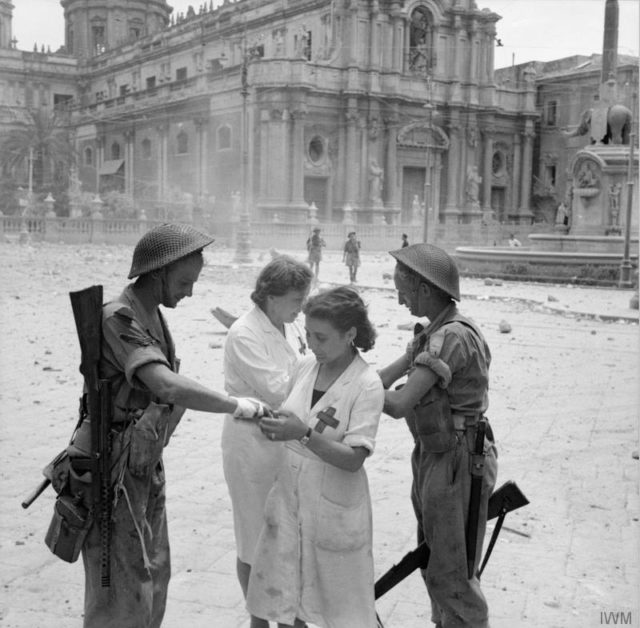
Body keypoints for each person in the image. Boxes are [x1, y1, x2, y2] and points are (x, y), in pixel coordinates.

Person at [65, 223, 267, 628]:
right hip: (112, 475)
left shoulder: (153, 314)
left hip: (143, 469)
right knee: (119, 593)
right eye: (184, 281)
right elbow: (164, 384)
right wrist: (236, 405)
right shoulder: (117, 317)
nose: (190, 292)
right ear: (158, 273)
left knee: (153, 577)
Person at [246, 286, 384, 628]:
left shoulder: (366, 384)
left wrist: (304, 434)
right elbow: (290, 414)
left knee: (339, 608)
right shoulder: (305, 366)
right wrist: (274, 425)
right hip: (288, 498)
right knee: (279, 597)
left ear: (350, 334)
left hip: (333, 504)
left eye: (321, 338)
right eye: (308, 334)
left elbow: (354, 458)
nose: (312, 344)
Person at [378, 243, 498, 628]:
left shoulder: (451, 338)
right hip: (437, 453)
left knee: (451, 567)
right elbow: (384, 378)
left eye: (404, 291)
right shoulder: (432, 333)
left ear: (426, 289)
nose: (400, 300)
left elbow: (399, 404)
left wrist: (352, 393)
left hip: (458, 458)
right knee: (435, 556)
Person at [222, 255, 313, 628]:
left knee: (286, 534)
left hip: (283, 443)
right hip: (251, 445)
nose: (302, 307)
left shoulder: (288, 327)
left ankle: (288, 614)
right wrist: (314, 375)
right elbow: (277, 390)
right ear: (272, 297)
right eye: (296, 300)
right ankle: (259, 619)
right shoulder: (244, 333)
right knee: (254, 538)